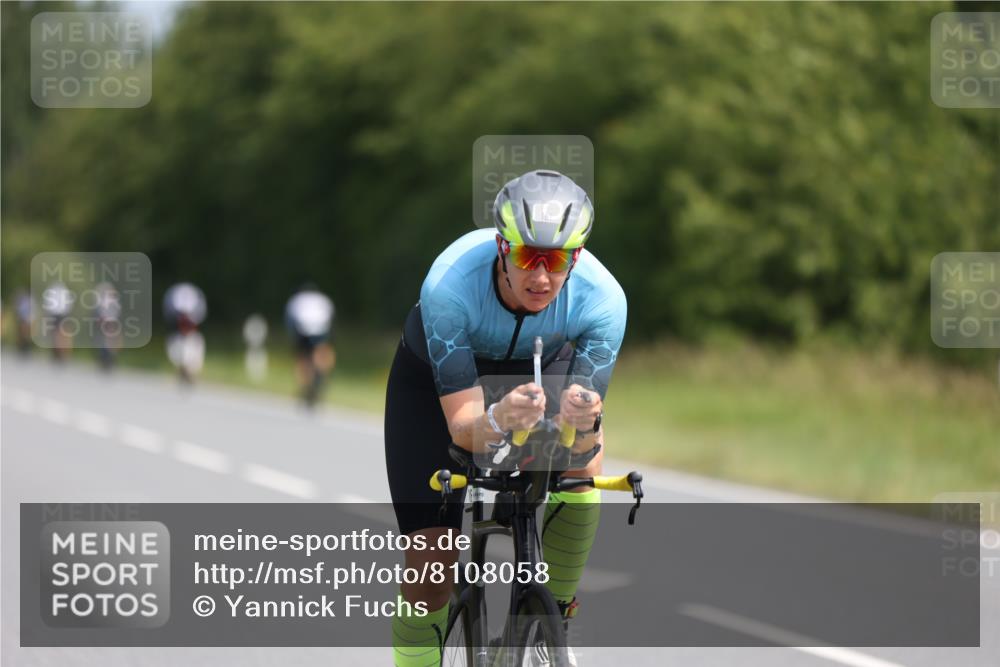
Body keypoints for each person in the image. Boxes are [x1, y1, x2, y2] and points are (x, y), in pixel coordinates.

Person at [384, 170, 627, 666]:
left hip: (541, 360)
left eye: (556, 260)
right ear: (501, 246)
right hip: (436, 383)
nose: (541, 277)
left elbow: (580, 441)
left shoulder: (604, 301)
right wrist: (497, 416)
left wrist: (585, 425)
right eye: (526, 256)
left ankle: (550, 623)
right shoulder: (449, 286)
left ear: (575, 257)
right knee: (431, 571)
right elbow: (466, 429)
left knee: (584, 468)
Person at [285, 284, 336, 408]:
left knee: (302, 357)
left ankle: (305, 385)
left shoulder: (296, 299)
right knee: (320, 353)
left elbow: (289, 320)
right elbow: (331, 318)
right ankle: (320, 375)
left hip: (302, 330)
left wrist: (293, 338)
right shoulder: (323, 299)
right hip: (320, 329)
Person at [163, 282, 207, 384]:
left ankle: (189, 371)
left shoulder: (197, 338)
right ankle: (184, 369)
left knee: (195, 345)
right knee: (176, 346)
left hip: (191, 340)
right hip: (176, 338)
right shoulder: (173, 336)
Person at [40, 281, 75, 362]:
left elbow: (47, 305)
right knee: (63, 335)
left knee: (55, 334)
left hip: (56, 315)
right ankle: (63, 353)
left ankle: (59, 353)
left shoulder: (53, 291)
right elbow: (69, 305)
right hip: (63, 315)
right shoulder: (64, 291)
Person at [93, 282, 122, 371]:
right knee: (105, 341)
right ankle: (105, 359)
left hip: (110, 322)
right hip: (106, 322)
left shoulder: (112, 300)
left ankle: (109, 359)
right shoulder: (104, 300)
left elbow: (116, 311)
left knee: (109, 341)